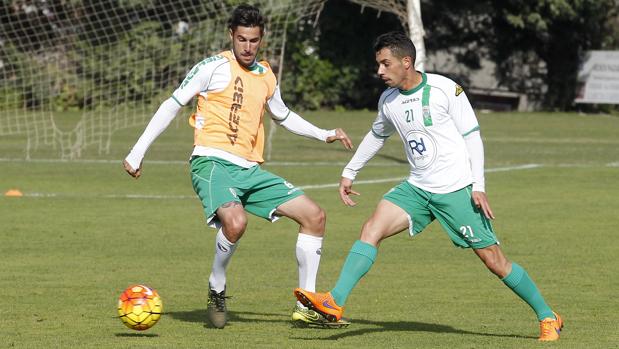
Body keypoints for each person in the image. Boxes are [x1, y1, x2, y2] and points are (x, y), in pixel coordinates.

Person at [294, 31, 563, 341]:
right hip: (417, 189)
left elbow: (472, 135)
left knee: (495, 262)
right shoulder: (388, 100)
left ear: (406, 62)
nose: (380, 71)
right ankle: (335, 301)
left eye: (386, 64)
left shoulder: (446, 89)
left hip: (457, 189)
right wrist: (350, 171)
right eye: (378, 64)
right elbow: (377, 135)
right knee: (371, 229)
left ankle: (547, 316)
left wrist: (479, 185)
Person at [123, 4, 353, 329]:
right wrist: (137, 151)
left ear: (261, 39)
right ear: (231, 35)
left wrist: (324, 133)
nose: (247, 47)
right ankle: (217, 285)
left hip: (250, 169)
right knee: (235, 221)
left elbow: (283, 115)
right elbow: (172, 104)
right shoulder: (212, 66)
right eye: (242, 39)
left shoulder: (266, 75)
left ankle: (308, 305)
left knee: (314, 216)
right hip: (211, 162)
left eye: (254, 40)